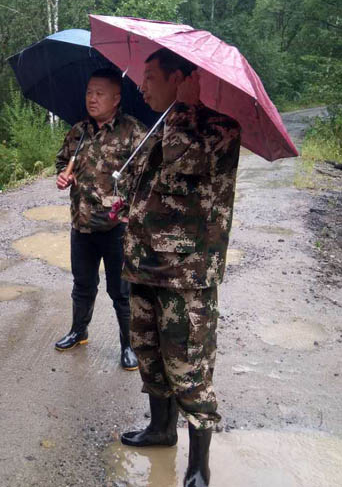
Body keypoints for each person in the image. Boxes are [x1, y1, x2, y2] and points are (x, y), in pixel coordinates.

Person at [120, 48, 241, 487]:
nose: (141, 86)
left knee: (188, 368)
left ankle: (198, 467)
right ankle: (160, 429)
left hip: (185, 276)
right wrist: (125, 204)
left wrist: (187, 110)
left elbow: (185, 164)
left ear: (180, 78)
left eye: (151, 76)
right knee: (149, 356)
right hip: (143, 266)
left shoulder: (218, 129)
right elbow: (148, 187)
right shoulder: (159, 126)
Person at [54, 68, 149, 371]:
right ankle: (79, 331)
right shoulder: (78, 131)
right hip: (81, 224)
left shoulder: (133, 132)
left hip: (116, 228)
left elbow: (149, 177)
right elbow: (62, 160)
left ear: (116, 98)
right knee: (82, 284)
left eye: (99, 93)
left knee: (121, 292)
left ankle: (128, 345)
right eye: (89, 93)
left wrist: (130, 210)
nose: (92, 99)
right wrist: (64, 175)